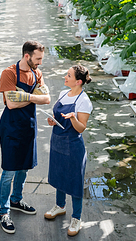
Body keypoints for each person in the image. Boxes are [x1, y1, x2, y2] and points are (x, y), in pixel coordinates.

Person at [0, 41, 51, 234]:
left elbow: (46, 98)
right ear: (27, 56)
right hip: (11, 127)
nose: (40, 63)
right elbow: (10, 104)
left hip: (28, 126)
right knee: (9, 171)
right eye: (38, 59)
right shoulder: (9, 73)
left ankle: (16, 199)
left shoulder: (37, 73)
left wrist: (23, 95)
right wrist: (32, 97)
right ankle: (3, 211)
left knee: (24, 168)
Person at [45, 64, 93, 236]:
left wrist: (73, 118)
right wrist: (52, 121)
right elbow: (58, 117)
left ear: (78, 81)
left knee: (74, 181)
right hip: (57, 142)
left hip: (73, 146)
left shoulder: (84, 101)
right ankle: (60, 206)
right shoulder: (63, 94)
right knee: (58, 175)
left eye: (69, 75)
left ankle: (76, 218)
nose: (65, 77)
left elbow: (81, 128)